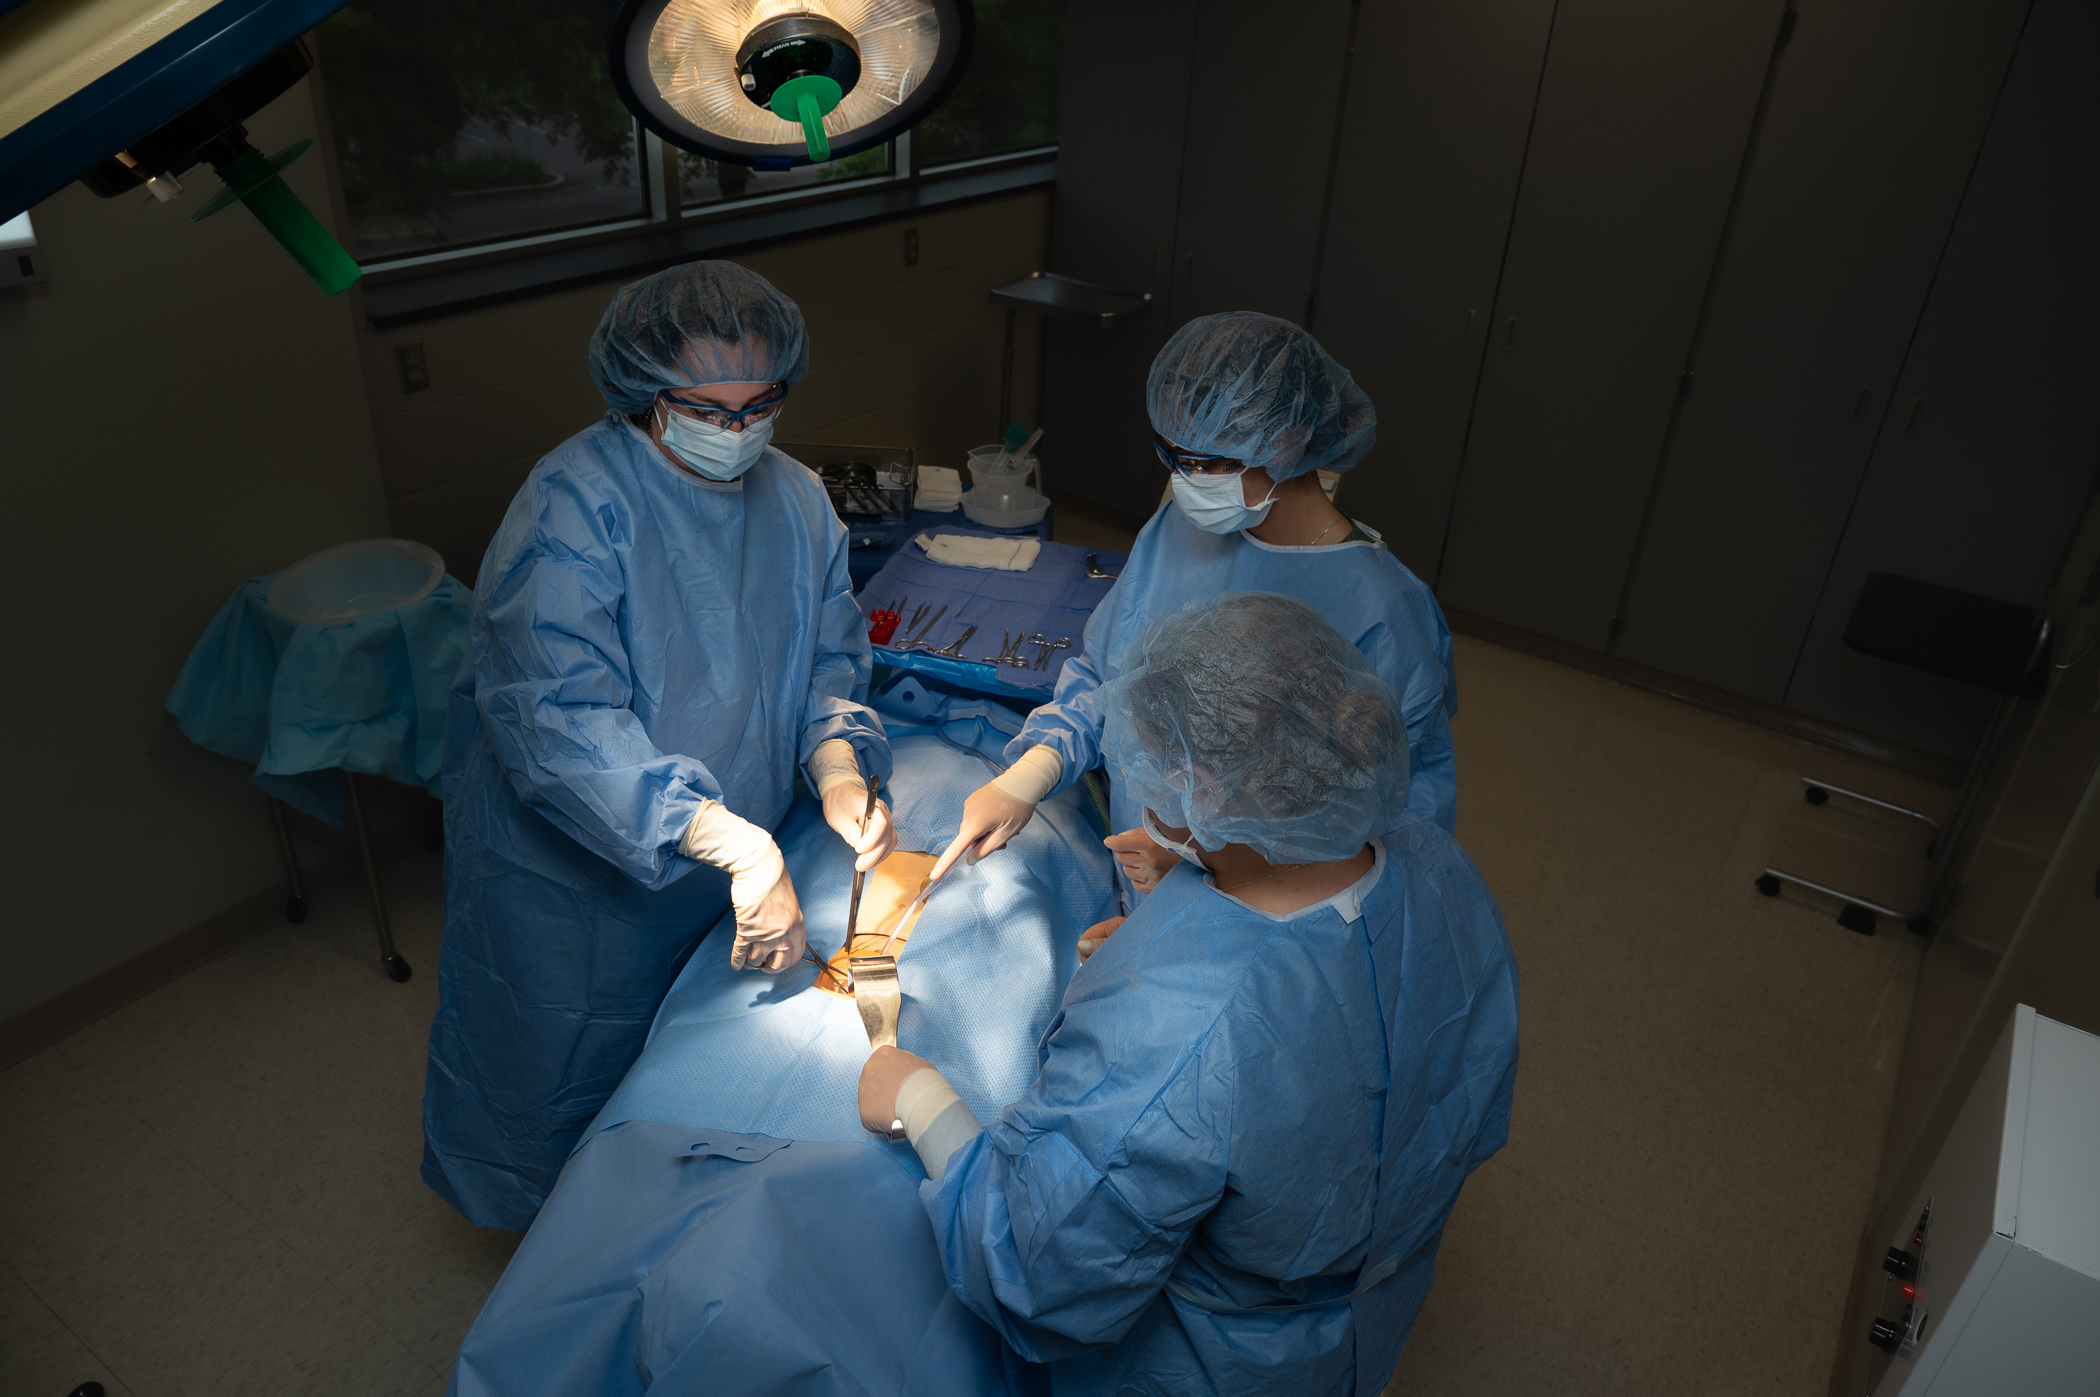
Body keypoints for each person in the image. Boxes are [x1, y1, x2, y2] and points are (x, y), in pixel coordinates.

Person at [860, 592, 1518, 1395]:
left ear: (1207, 783)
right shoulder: (1439, 867)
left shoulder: (1174, 1026)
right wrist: (1201, 872)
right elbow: (1451, 1092)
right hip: (1371, 1305)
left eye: (1159, 771)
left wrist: (922, 1100)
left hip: (1216, 1361)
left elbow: (1041, 1269)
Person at [423, 260, 897, 1231]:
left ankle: (662, 1221)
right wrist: (720, 834)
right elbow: (557, 719)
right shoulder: (573, 506)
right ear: (645, 395)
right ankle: (552, 1240)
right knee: (565, 1054)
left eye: (762, 403)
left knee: (696, 1059)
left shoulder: (800, 500)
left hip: (734, 842)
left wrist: (839, 759)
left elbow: (827, 659)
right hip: (576, 873)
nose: (739, 429)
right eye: (707, 407)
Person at [930, 312, 1457, 897]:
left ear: (1283, 441)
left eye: (1207, 465)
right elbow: (1112, 675)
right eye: (1171, 457)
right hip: (1140, 876)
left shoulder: (1384, 611)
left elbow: (1387, 830)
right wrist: (1033, 772)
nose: (1185, 482)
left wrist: (1204, 862)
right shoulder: (1176, 529)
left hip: (1257, 916)